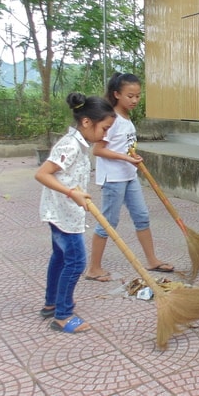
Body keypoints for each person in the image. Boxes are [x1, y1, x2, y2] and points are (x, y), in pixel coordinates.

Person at [35, 93, 116, 333]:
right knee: (76, 261)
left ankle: (51, 303)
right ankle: (62, 314)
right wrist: (72, 194)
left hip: (63, 212)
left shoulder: (80, 143)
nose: (106, 134)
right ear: (87, 122)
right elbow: (42, 174)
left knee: (59, 258)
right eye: (105, 128)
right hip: (63, 214)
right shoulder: (69, 145)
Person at [85, 73, 174, 282]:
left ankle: (152, 260)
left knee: (142, 216)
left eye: (137, 96)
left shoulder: (126, 117)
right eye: (130, 96)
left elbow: (123, 146)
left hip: (129, 175)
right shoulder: (111, 119)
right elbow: (98, 150)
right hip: (113, 179)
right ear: (117, 94)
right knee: (108, 222)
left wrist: (131, 156)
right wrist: (124, 157)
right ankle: (93, 268)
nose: (134, 100)